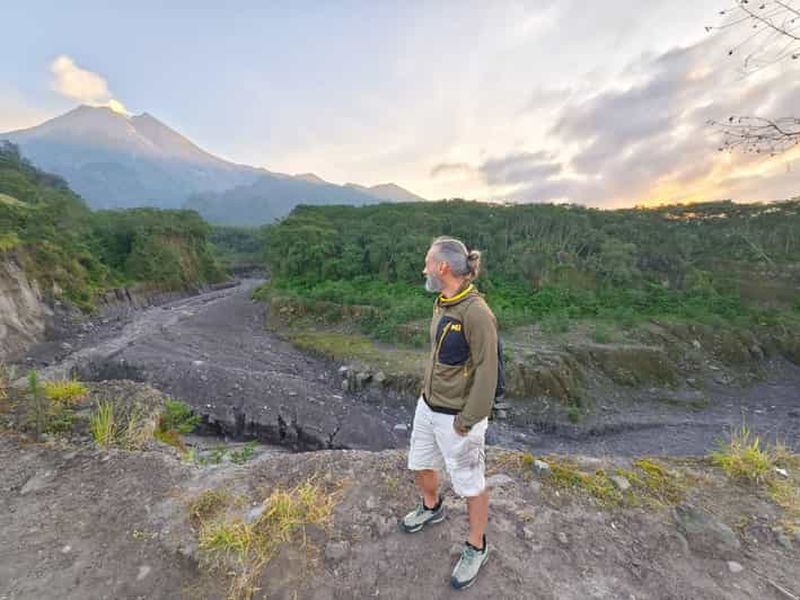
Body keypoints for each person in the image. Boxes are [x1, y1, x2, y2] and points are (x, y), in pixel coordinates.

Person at [400, 235, 499, 590]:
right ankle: (431, 507)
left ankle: (477, 546)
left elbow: (489, 371)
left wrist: (467, 421)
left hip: (458, 418)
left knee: (471, 484)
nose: (423, 267)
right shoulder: (443, 301)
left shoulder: (477, 313)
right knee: (420, 463)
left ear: (443, 267)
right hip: (428, 406)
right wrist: (426, 398)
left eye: (427, 261)